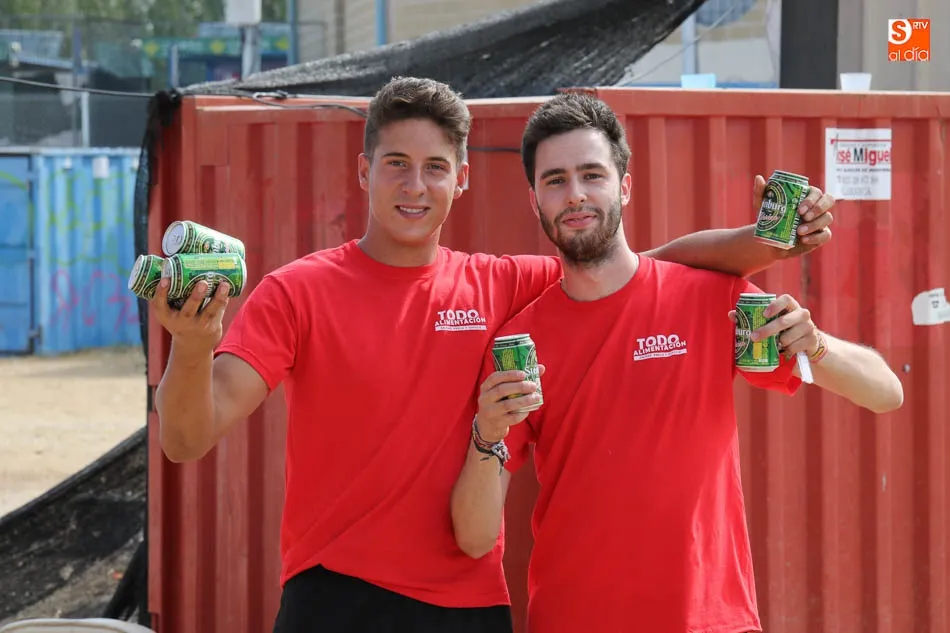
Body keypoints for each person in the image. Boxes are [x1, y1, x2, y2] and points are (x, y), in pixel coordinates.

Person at [151, 77, 835, 633]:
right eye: (396, 164)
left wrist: (770, 240)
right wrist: (191, 344)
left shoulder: (503, 285)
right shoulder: (296, 292)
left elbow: (641, 268)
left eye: (435, 168)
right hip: (337, 596)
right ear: (364, 171)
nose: (415, 185)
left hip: (469, 605)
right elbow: (185, 438)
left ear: (463, 179)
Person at [450, 92, 904, 633]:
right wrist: (486, 432)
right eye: (555, 180)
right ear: (534, 200)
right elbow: (474, 537)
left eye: (592, 175)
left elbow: (886, 392)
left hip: (709, 620)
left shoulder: (708, 298)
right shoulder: (519, 342)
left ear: (625, 185)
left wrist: (816, 345)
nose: (575, 195)